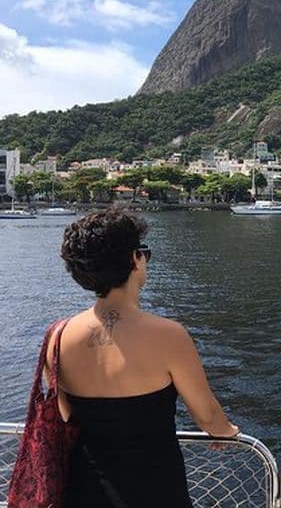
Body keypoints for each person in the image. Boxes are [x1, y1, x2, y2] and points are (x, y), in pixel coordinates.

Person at [47, 207, 239, 507]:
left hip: (83, 489)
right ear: (135, 260)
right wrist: (226, 432)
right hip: (155, 489)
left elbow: (66, 415)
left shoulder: (58, 337)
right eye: (143, 252)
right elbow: (207, 416)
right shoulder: (168, 335)